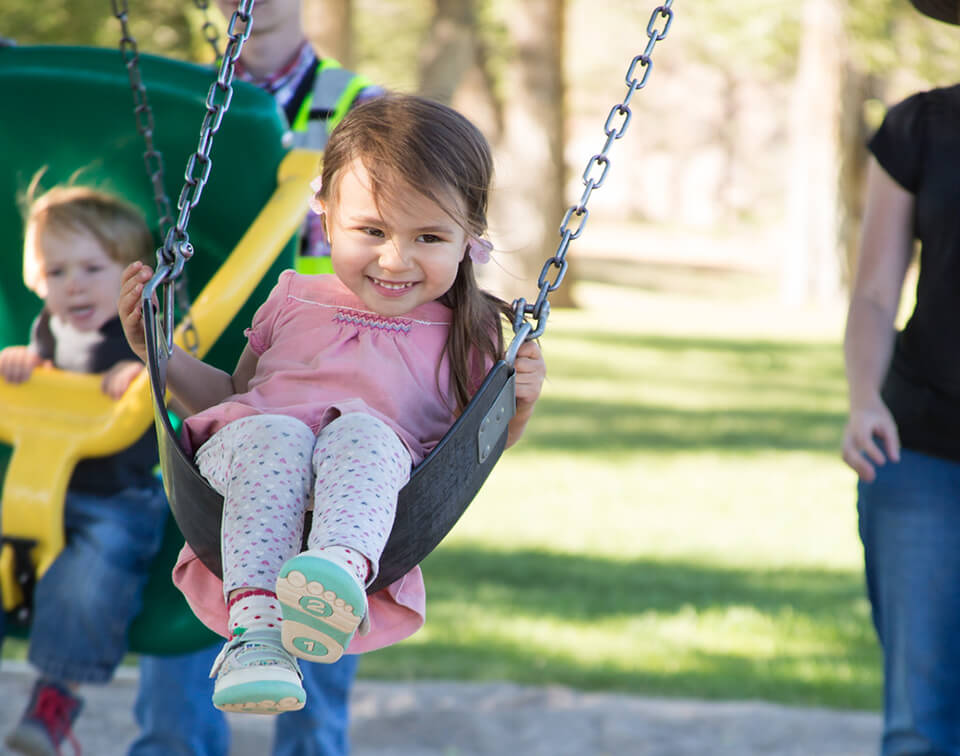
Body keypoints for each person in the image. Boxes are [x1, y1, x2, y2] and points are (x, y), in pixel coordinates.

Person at [118, 93, 546, 715]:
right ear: (324, 213)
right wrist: (160, 357)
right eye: (371, 230)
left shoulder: (469, 333)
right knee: (277, 434)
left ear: (469, 238)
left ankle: (333, 575)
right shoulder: (293, 298)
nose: (395, 259)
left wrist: (521, 405)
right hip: (248, 469)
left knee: (365, 434)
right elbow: (235, 398)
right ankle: (258, 637)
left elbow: (470, 454)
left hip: (369, 495)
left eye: (428, 236)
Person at [133, 0, 382, 749]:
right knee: (197, 576)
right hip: (211, 366)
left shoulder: (359, 111)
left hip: (329, 390)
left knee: (321, 591)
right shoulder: (186, 103)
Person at [0, 180, 169, 755]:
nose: (73, 284)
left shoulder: (139, 330)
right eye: (56, 272)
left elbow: (169, 374)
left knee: (90, 580)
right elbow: (37, 383)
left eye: (93, 268)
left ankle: (54, 700)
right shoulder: (48, 331)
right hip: (36, 492)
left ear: (130, 275)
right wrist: (24, 362)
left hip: (115, 500)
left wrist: (143, 371)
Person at [841, 80, 960, 753]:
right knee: (922, 722)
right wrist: (864, 399)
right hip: (921, 448)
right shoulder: (921, 127)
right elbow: (877, 290)